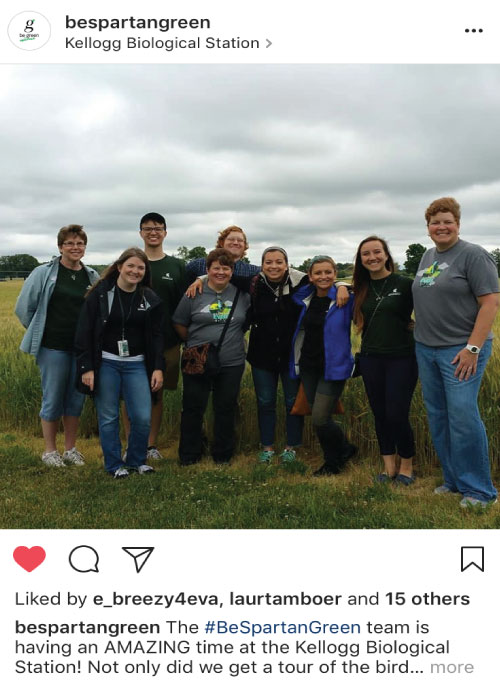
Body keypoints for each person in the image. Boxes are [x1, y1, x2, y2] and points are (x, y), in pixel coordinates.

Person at [413, 197, 499, 507]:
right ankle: (454, 480)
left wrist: (472, 348)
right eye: (435, 222)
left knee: (462, 416)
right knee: (438, 415)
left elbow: (490, 303)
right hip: (427, 349)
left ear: (458, 224)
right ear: (428, 229)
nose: (441, 226)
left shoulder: (474, 256)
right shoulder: (428, 257)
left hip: (461, 351)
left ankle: (480, 491)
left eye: (447, 221)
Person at [75, 248, 165, 479]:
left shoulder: (149, 298)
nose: (135, 271)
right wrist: (87, 368)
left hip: (137, 365)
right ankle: (114, 465)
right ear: (119, 267)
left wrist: (157, 367)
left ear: (145, 273)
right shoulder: (100, 294)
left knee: (142, 417)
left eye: (141, 268)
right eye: (131, 266)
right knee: (108, 417)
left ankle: (136, 461)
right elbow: (84, 332)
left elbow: (157, 336)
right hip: (107, 363)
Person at [15, 225, 98, 467]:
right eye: (70, 243)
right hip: (53, 347)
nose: (75, 247)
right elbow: (24, 308)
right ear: (60, 246)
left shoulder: (91, 275)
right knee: (53, 398)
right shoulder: (44, 273)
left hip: (81, 349)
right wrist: (40, 331)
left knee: (75, 399)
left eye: (80, 243)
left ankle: (70, 449)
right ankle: (49, 451)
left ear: (85, 247)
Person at [173, 248, 250, 465]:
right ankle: (189, 455)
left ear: (232, 271)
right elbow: (179, 322)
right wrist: (195, 344)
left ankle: (223, 455)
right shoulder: (194, 292)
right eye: (216, 268)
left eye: (226, 268)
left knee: (225, 407)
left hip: (232, 361)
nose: (221, 272)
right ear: (207, 270)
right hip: (196, 359)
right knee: (192, 408)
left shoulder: (241, 294)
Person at [352, 236, 418, 485]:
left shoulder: (405, 284)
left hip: (402, 358)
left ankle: (407, 467)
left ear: (387, 254)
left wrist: (418, 327)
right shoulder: (360, 288)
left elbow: (431, 308)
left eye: (376, 252)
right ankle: (388, 467)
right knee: (380, 413)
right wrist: (338, 286)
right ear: (360, 260)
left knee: (397, 413)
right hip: (371, 358)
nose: (372, 257)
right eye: (365, 254)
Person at [124, 212, 187, 460]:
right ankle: (131, 444)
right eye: (148, 228)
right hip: (131, 341)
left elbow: (184, 305)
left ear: (165, 233)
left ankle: (150, 445)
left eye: (158, 228)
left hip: (167, 343)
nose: (153, 232)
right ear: (140, 232)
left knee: (156, 393)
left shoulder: (176, 266)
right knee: (128, 393)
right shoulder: (132, 263)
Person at [290, 256, 356, 476]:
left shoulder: (345, 300)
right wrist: (339, 284)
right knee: (318, 418)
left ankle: (335, 459)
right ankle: (343, 451)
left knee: (320, 417)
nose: (323, 277)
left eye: (328, 272)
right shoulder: (305, 297)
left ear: (335, 273)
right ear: (310, 276)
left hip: (334, 367)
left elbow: (362, 287)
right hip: (308, 366)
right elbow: (293, 284)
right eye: (317, 273)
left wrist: (342, 286)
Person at [186, 225, 259, 283]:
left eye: (240, 240)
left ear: (245, 245)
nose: (235, 243)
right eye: (231, 239)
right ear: (221, 243)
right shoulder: (198, 265)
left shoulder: (254, 271)